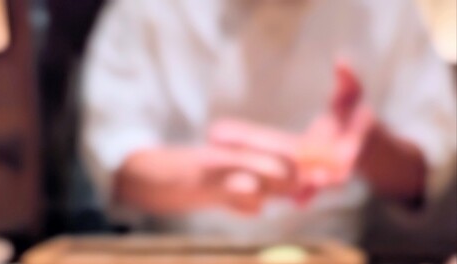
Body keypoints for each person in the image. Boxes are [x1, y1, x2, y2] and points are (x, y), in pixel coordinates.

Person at [80, 0, 457, 244]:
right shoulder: (147, 9)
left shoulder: (390, 10)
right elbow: (114, 156)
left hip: (334, 260)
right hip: (175, 256)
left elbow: (427, 165)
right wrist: (210, 175)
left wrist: (369, 146)